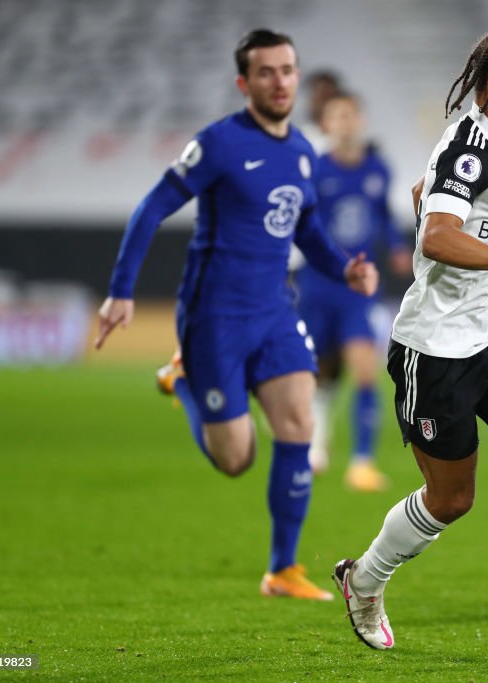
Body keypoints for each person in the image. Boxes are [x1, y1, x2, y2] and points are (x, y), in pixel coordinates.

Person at [94, 29, 378, 601]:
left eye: (288, 70)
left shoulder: (302, 151)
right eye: (266, 72)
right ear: (244, 82)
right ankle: (184, 380)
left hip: (275, 311)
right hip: (214, 319)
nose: (279, 81)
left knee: (297, 425)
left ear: (298, 77)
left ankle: (282, 570)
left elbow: (308, 231)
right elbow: (152, 207)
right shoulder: (220, 144)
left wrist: (345, 268)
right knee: (237, 459)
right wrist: (121, 290)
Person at [332, 30, 488, 651]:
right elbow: (437, 235)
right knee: (451, 499)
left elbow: (424, 196)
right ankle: (364, 579)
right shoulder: (473, 148)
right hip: (435, 351)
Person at [296, 91, 412, 491]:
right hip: (318, 283)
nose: (344, 123)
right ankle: (314, 444)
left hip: (358, 288)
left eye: (349, 115)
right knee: (318, 372)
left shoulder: (377, 169)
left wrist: (397, 246)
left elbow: (381, 215)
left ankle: (362, 463)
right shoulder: (314, 169)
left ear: (359, 120)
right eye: (336, 116)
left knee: (365, 371)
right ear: (326, 125)